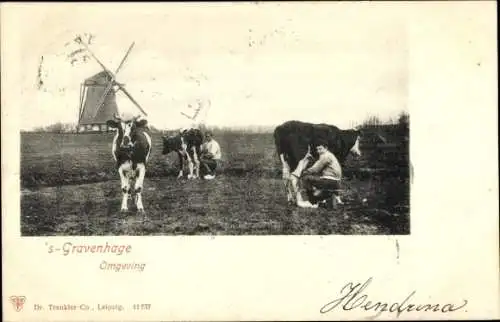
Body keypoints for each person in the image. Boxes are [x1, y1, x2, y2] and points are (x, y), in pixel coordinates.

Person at [298, 141, 343, 208]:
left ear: (326, 148)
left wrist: (303, 172)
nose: (318, 151)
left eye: (320, 149)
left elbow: (315, 169)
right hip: (336, 181)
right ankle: (333, 198)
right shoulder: (330, 155)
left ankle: (312, 202)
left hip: (330, 181)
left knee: (305, 178)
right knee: (315, 178)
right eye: (317, 149)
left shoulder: (325, 156)